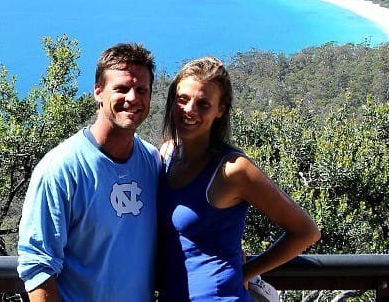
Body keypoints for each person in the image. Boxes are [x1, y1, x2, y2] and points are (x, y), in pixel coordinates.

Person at [156, 57, 320, 301]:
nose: (190, 109)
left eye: (203, 104)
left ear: (220, 110)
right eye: (183, 99)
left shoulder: (233, 170)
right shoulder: (166, 154)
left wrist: (248, 271)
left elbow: (306, 232)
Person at [17, 42, 161, 302]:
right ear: (98, 92)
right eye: (121, 88)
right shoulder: (61, 169)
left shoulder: (151, 162)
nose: (133, 98)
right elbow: (37, 267)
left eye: (142, 90)